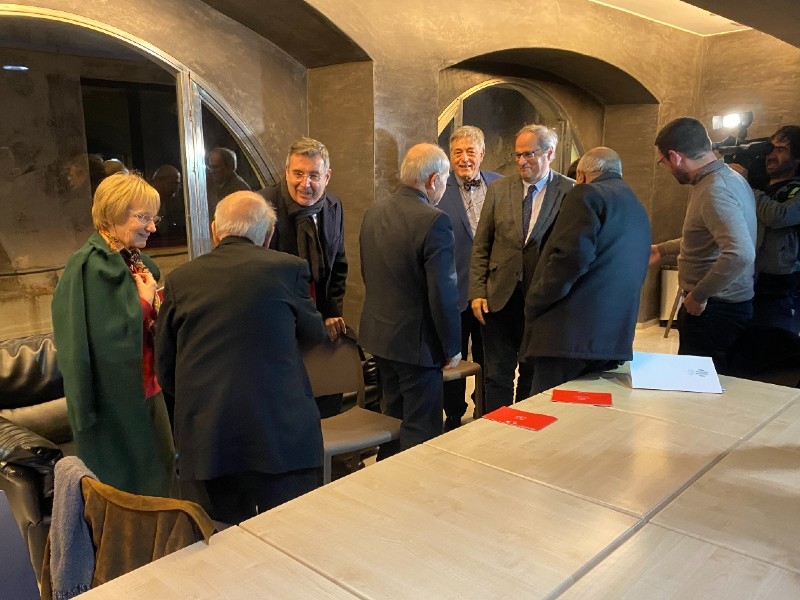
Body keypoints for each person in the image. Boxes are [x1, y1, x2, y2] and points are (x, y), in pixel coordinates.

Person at [155, 191, 326, 523]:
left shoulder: (179, 280)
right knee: (292, 533)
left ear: (214, 231)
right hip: (281, 434)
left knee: (221, 542)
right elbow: (314, 334)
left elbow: (166, 367)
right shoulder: (288, 269)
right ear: (268, 235)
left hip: (208, 440)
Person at [51, 172, 175, 497]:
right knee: (129, 497)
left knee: (163, 483)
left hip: (150, 390)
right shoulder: (85, 267)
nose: (152, 227)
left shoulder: (135, 262)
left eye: (154, 217)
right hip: (113, 406)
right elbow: (99, 343)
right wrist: (145, 303)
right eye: (143, 217)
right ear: (115, 213)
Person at [359, 143, 461, 458]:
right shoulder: (434, 220)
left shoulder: (374, 211)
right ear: (433, 179)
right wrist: (452, 346)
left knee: (392, 419)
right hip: (418, 346)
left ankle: (386, 477)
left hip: (381, 338)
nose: (444, 188)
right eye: (446, 180)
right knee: (421, 428)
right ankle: (412, 484)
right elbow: (442, 292)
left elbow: (368, 272)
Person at [521, 147, 651, 394]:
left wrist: (535, 300)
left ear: (581, 175)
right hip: (613, 335)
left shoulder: (586, 194)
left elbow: (569, 258)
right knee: (587, 411)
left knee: (550, 411)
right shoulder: (635, 203)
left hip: (568, 337)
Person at [469, 124, 574, 412]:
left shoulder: (569, 191)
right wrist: (477, 291)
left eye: (529, 154)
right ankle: (495, 429)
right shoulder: (499, 189)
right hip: (498, 298)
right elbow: (481, 244)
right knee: (496, 375)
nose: (522, 161)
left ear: (549, 153)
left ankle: (523, 428)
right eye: (518, 155)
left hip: (541, 301)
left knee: (532, 373)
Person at [651, 117, 756, 374]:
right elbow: (705, 240)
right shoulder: (728, 179)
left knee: (698, 387)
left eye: (663, 162)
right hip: (720, 307)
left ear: (675, 157)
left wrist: (699, 295)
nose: (666, 168)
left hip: (714, 309)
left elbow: (740, 253)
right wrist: (663, 249)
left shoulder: (715, 190)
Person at [258, 137, 348, 417]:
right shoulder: (261, 206)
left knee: (325, 399)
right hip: (276, 325)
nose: (304, 183)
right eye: (297, 173)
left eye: (314, 175)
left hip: (318, 320)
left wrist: (332, 311)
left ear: (327, 177)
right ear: (286, 172)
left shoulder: (334, 205)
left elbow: (338, 263)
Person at [436, 125, 501, 430]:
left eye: (470, 151)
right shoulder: (438, 187)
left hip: (493, 291)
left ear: (482, 154)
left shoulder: (500, 184)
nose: (464, 158)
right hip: (454, 290)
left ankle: (486, 410)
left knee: (491, 356)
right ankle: (453, 415)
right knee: (454, 356)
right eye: (457, 152)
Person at [732, 125, 800, 333]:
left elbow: (777, 216)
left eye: (781, 150)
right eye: (771, 148)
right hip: (748, 280)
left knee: (775, 343)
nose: (772, 155)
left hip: (781, 287)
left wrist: (745, 185)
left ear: (797, 159)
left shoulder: (795, 190)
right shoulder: (761, 188)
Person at [206, 147, 250, 215]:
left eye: (216, 167)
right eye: (210, 167)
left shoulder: (240, 190)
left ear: (228, 167)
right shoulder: (207, 184)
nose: (212, 171)